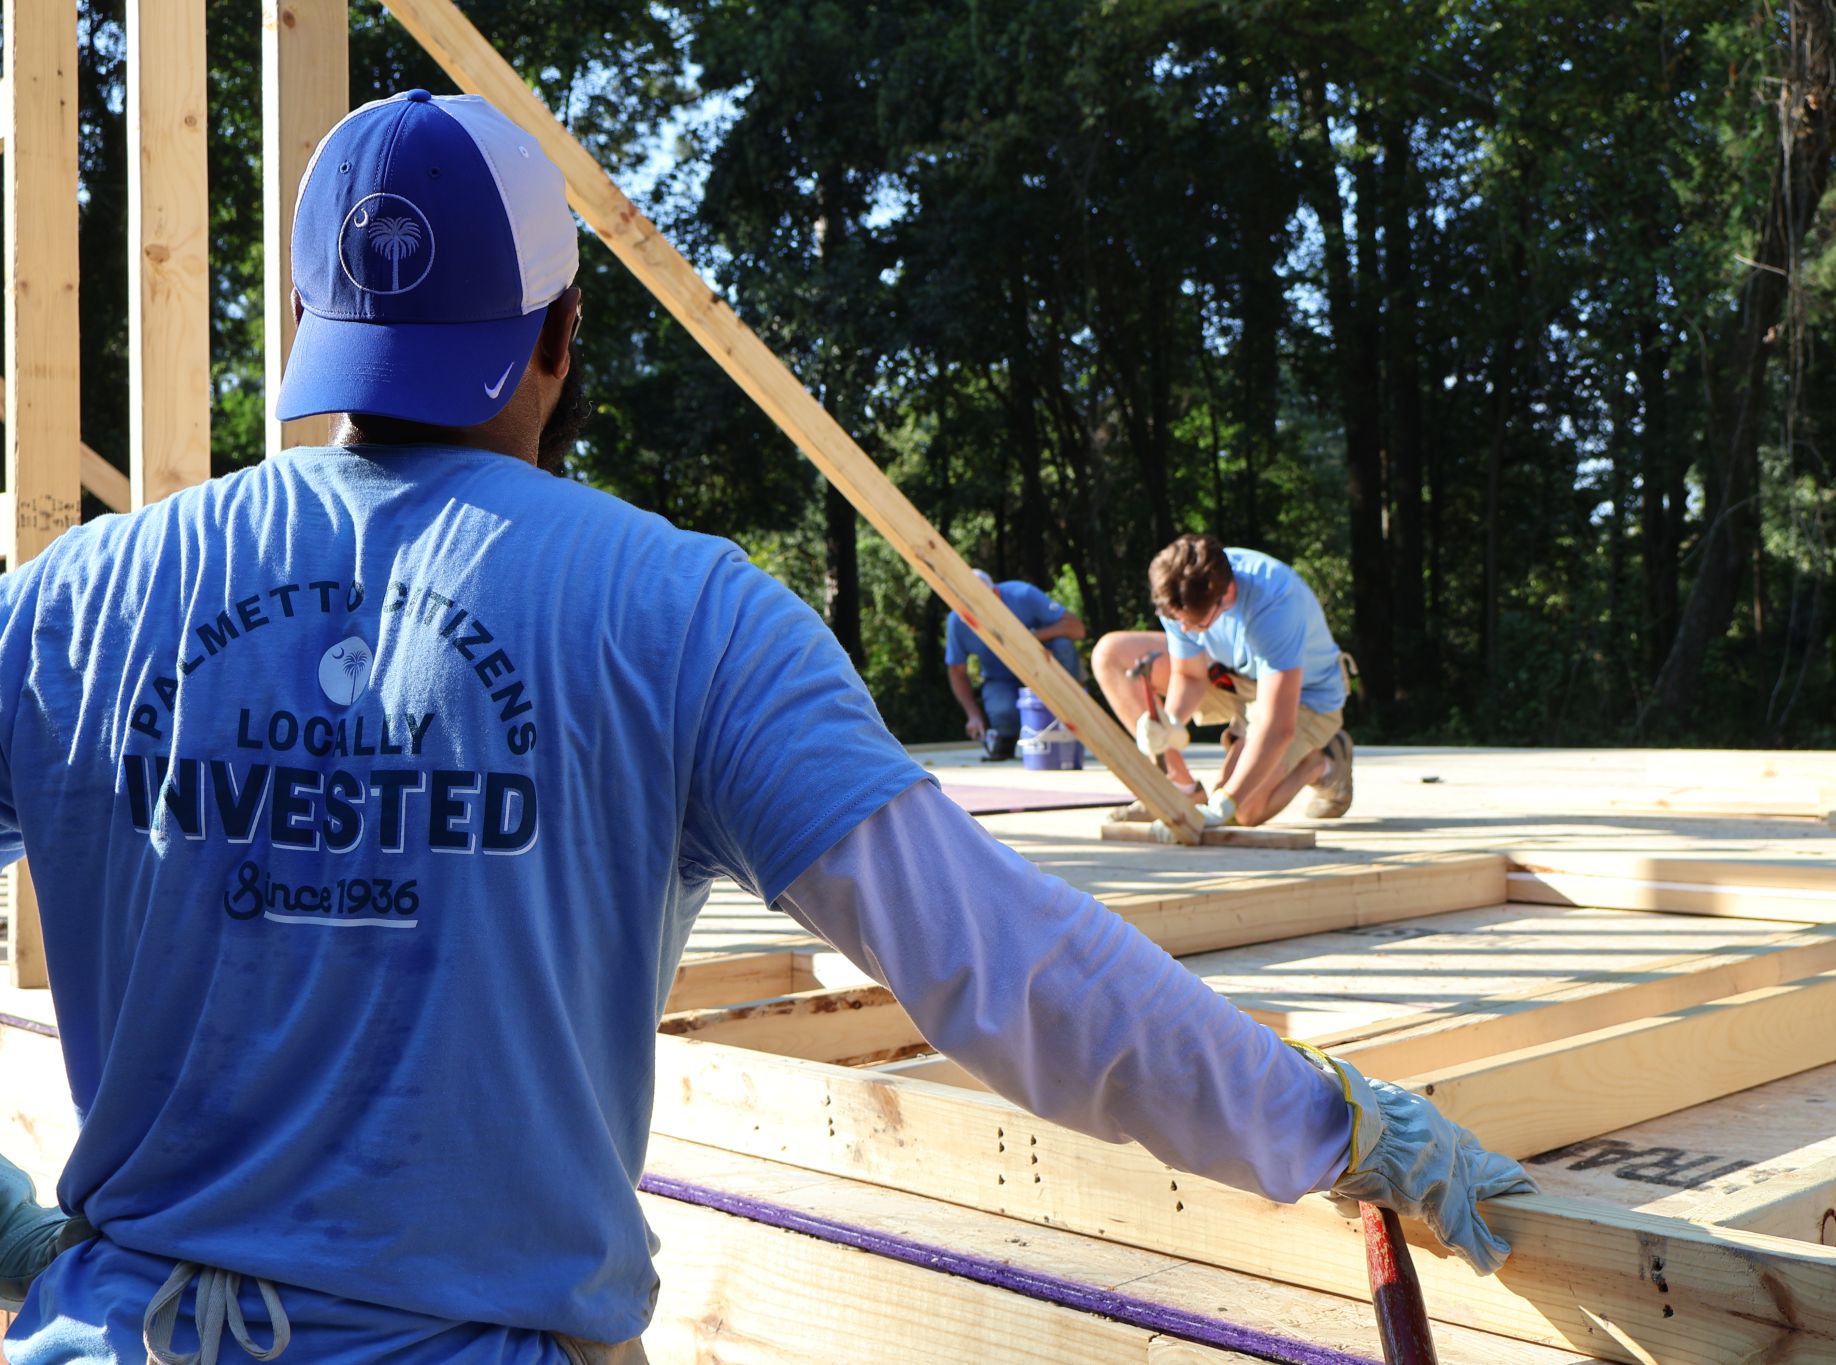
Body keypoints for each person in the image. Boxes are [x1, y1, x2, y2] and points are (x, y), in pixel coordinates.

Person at [0, 91, 1528, 1363]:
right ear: (563, 332)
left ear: (307, 325)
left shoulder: (73, 604)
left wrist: (16, 1227)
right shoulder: (679, 616)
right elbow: (999, 961)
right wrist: (1325, 1124)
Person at [1095, 535, 1355, 829]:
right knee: (1111, 654)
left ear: (1228, 594)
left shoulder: (1274, 603)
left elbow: (1277, 726)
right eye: (1177, 619)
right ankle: (1179, 787)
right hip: (1234, 677)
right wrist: (1171, 723)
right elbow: (1190, 675)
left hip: (1304, 696)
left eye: (1196, 622)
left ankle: (1320, 761)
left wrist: (1226, 803)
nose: (1184, 629)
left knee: (1244, 810)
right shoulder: (1179, 590)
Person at [945, 570, 1085, 759]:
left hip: (1042, 673)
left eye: (977, 605)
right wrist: (973, 715)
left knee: (1063, 645)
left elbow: (1077, 629)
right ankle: (1006, 737)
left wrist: (1030, 638)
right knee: (1001, 709)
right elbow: (957, 671)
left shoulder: (1022, 594)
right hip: (1001, 680)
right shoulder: (958, 620)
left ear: (995, 593)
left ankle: (1073, 713)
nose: (973, 613)